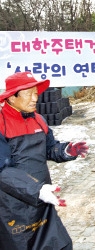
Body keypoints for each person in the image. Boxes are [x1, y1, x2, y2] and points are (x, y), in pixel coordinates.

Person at [0, 72, 89, 249]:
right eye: (28, 94)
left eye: (36, 93)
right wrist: (36, 189)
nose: (35, 99)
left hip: (42, 199)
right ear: (11, 97)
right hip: (11, 206)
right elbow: (2, 170)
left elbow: (50, 149)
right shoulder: (1, 123)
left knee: (61, 245)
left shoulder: (39, 119)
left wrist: (66, 150)